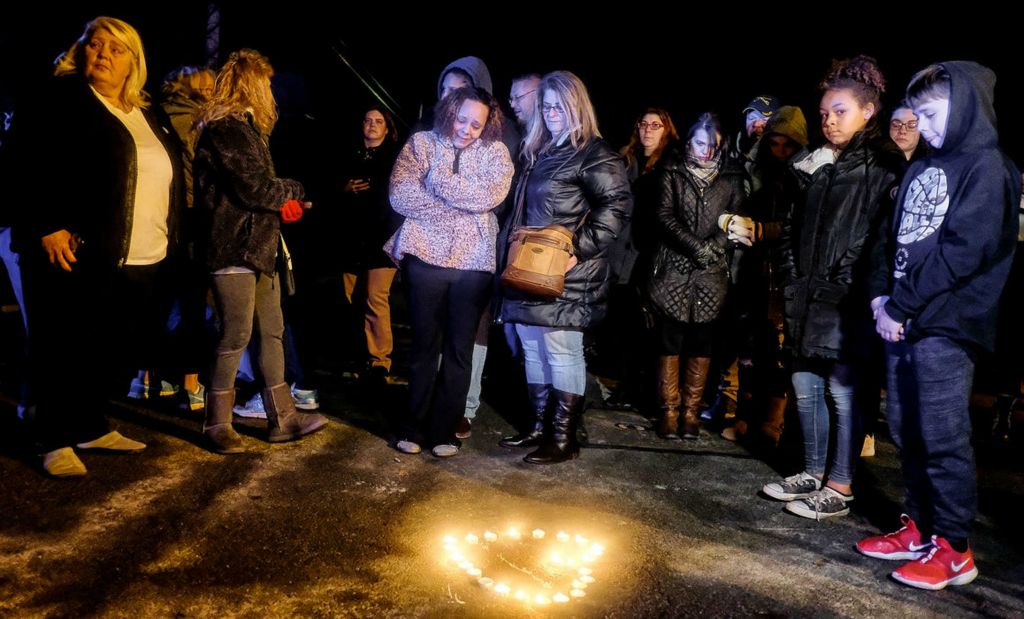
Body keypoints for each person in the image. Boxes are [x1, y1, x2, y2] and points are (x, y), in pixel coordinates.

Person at [858, 61, 1020, 591]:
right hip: (901, 318)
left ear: (966, 106)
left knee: (941, 436)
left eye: (930, 115)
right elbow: (890, 237)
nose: (920, 126)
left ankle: (953, 548)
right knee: (905, 429)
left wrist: (901, 307)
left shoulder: (988, 167)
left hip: (946, 323)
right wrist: (882, 297)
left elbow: (964, 251)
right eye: (915, 115)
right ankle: (921, 527)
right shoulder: (923, 166)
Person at [12, 16, 183, 476]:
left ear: (134, 62)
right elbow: (21, 162)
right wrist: (45, 224)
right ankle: (52, 436)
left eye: (116, 48)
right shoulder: (59, 99)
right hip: (77, 248)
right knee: (62, 342)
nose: (103, 53)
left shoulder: (147, 112)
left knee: (112, 346)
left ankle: (88, 424)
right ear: (81, 51)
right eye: (94, 44)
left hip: (144, 251)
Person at [761, 55, 898, 519]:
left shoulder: (882, 163)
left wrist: (842, 281)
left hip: (845, 300)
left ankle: (839, 485)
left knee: (842, 392)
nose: (829, 120)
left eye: (840, 111)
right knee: (804, 385)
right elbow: (791, 227)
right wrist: (791, 278)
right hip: (805, 294)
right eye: (824, 113)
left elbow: (875, 235)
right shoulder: (811, 163)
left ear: (868, 111)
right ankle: (812, 471)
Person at [193, 49, 328, 454]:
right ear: (250, 84)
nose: (271, 92)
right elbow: (254, 189)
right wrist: (294, 191)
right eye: (265, 83)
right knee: (235, 334)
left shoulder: (249, 129)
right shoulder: (227, 130)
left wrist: (279, 209)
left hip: (260, 248)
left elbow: (257, 195)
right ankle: (216, 422)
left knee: (271, 332)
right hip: (232, 248)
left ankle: (283, 418)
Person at [499, 70, 632, 464]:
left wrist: (579, 247)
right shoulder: (541, 148)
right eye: (546, 105)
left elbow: (617, 206)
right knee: (533, 347)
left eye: (560, 106)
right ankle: (540, 427)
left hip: (568, 272)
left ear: (577, 106)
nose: (552, 112)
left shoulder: (594, 152)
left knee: (562, 350)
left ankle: (563, 438)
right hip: (529, 267)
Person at [386, 86, 513, 457]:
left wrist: (438, 182)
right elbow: (401, 195)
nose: (467, 130)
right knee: (424, 346)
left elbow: (490, 197)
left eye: (476, 124)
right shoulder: (421, 144)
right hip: (425, 259)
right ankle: (412, 426)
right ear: (449, 112)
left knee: (460, 349)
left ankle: (444, 432)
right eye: (461, 120)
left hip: (474, 264)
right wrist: (462, 209)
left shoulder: (497, 153)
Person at [645, 113, 747, 440]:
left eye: (711, 145)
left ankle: (691, 412)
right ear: (689, 141)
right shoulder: (672, 172)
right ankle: (669, 411)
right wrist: (695, 247)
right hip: (674, 267)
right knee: (669, 338)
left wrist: (711, 249)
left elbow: (735, 220)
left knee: (703, 341)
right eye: (699, 143)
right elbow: (663, 216)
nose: (704, 151)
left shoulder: (731, 178)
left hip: (711, 273)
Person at [339, 106, 402, 383]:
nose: (372, 125)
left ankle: (380, 361)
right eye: (367, 120)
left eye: (378, 121)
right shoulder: (348, 154)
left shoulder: (396, 159)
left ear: (387, 128)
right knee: (350, 299)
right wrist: (343, 189)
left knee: (376, 298)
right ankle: (356, 356)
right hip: (352, 237)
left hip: (383, 239)